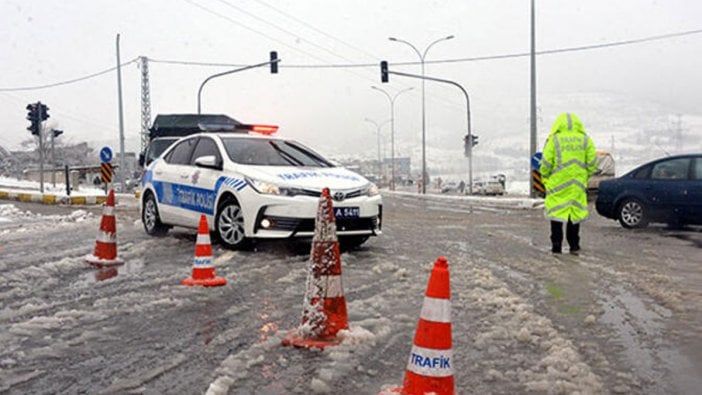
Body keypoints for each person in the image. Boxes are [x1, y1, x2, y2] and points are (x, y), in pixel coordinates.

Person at [540, 113, 597, 255]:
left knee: (556, 216)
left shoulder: (554, 140)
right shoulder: (585, 140)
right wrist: (583, 175)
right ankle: (574, 245)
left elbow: (546, 163)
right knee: (574, 215)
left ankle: (556, 246)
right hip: (576, 185)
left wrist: (546, 178)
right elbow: (592, 163)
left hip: (557, 185)